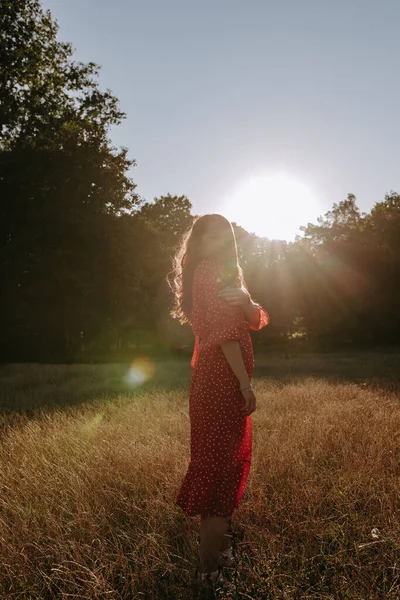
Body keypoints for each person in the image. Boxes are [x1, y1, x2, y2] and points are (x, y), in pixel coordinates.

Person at [168, 213, 269, 593]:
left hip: (215, 383)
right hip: (220, 384)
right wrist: (245, 386)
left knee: (223, 467)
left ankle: (222, 555)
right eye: (209, 237)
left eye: (224, 236)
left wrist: (244, 299)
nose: (219, 242)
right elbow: (227, 336)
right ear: (197, 242)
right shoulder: (209, 273)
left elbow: (256, 319)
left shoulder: (223, 274)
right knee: (217, 474)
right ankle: (209, 575)